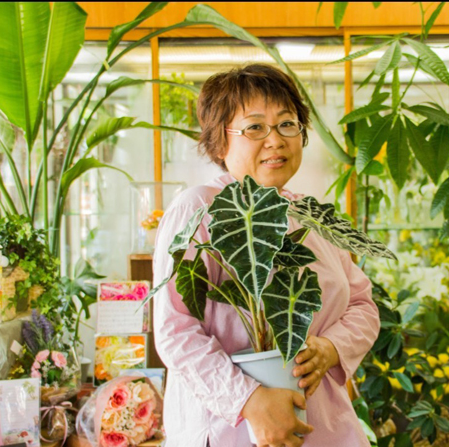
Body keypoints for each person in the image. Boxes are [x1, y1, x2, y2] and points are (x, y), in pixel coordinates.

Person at [153, 63, 380, 447]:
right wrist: (249, 401)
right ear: (220, 143)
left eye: (287, 124)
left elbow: (362, 304)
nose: (275, 140)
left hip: (325, 427)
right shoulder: (200, 209)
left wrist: (330, 348)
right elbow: (175, 330)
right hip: (232, 430)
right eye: (255, 127)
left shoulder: (307, 213)